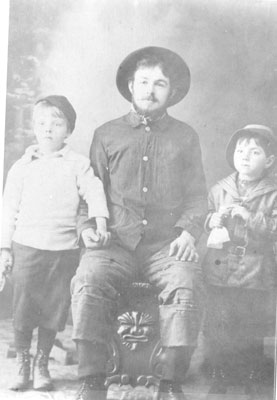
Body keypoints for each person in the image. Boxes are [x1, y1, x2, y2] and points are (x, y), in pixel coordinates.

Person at [71, 46, 207, 400]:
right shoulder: (107, 134)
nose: (150, 90)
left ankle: (170, 383)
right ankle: (91, 380)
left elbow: (196, 196)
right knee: (88, 280)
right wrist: (87, 227)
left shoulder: (186, 136)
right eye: (143, 82)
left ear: (171, 92)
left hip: (166, 245)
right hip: (114, 243)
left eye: (159, 83)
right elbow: (89, 192)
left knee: (185, 281)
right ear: (131, 86)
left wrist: (189, 233)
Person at [0, 95, 109, 391]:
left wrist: (100, 219)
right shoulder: (21, 167)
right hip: (27, 247)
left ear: (69, 130)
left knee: (53, 310)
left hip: (63, 251)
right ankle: (23, 362)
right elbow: (8, 209)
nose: (48, 128)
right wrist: (4, 248)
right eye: (42, 122)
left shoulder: (77, 164)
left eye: (57, 122)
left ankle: (42, 363)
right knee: (23, 310)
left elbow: (94, 191)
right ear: (34, 128)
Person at [203, 125, 277, 397]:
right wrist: (214, 219)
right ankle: (220, 370)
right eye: (240, 150)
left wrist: (250, 217)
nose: (245, 156)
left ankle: (250, 371)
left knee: (250, 322)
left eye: (254, 152)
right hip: (221, 268)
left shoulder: (273, 192)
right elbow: (204, 217)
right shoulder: (219, 189)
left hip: (255, 270)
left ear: (268, 161)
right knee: (220, 322)